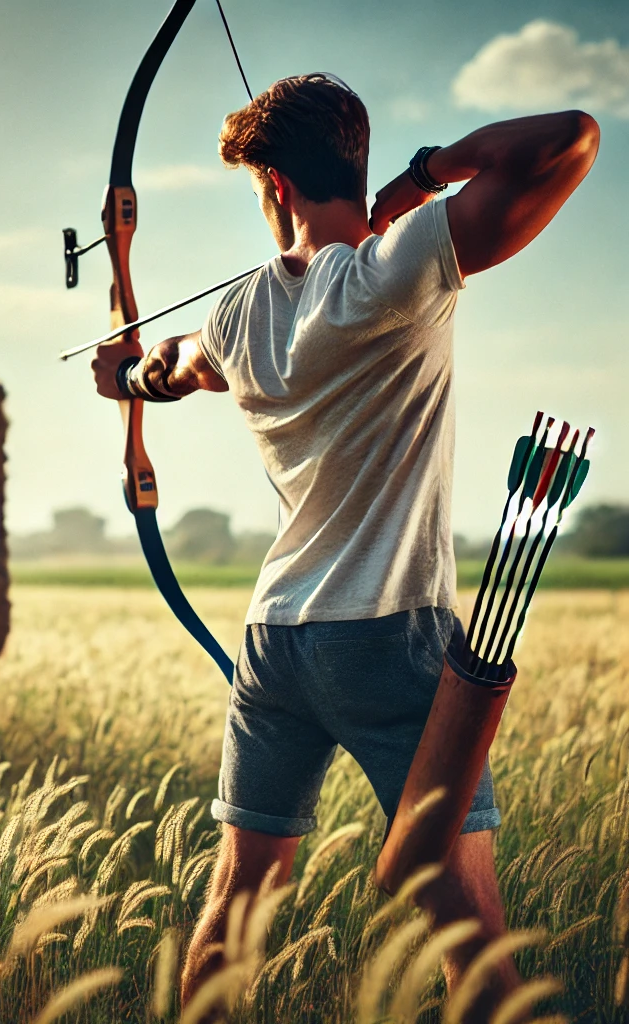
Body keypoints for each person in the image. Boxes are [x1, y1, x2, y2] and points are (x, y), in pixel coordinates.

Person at [91, 74, 599, 1021]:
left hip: (275, 640)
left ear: (274, 184)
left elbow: (154, 370)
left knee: (236, 909)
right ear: (350, 166)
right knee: (471, 931)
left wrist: (126, 367)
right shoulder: (395, 268)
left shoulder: (237, 316)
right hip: (388, 636)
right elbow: (571, 137)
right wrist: (425, 180)